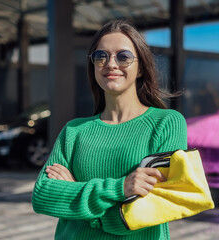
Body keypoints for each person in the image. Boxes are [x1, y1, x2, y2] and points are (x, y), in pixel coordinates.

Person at [32, 19, 187, 240]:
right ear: (93, 65)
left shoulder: (166, 123)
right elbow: (43, 196)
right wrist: (121, 188)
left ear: (141, 67)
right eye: (100, 56)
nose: (110, 64)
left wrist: (76, 195)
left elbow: (156, 207)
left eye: (123, 57)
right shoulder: (74, 131)